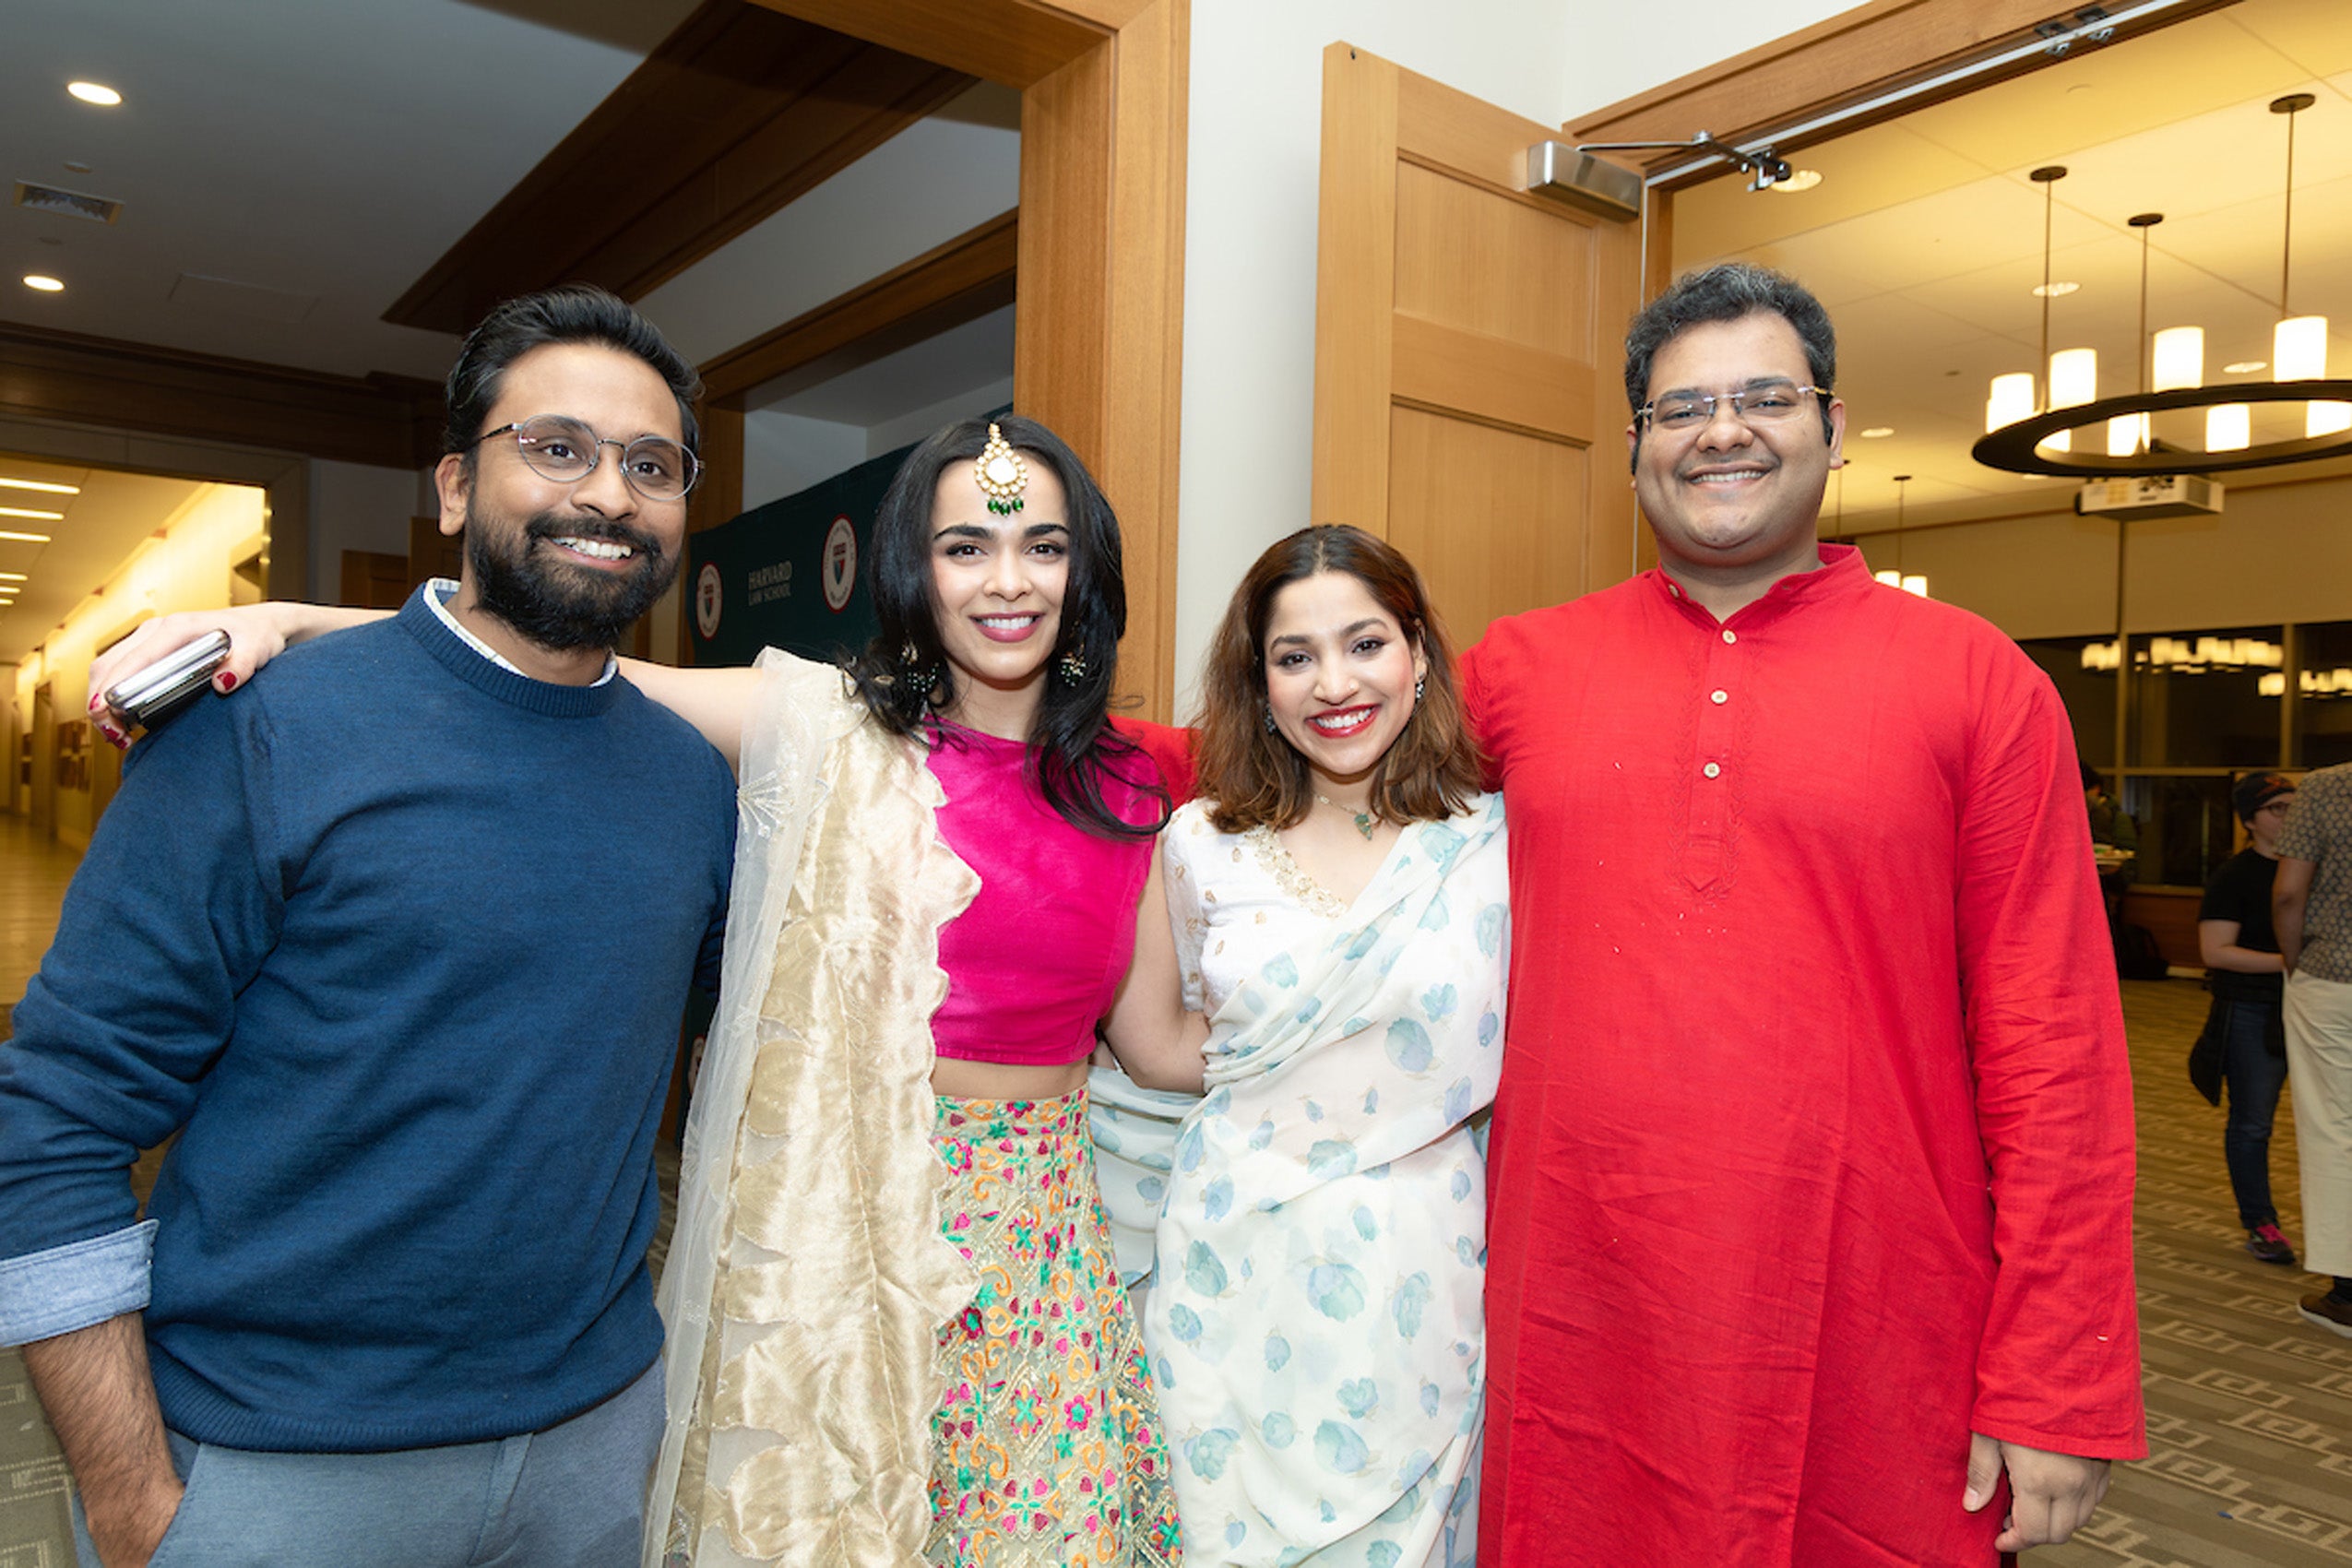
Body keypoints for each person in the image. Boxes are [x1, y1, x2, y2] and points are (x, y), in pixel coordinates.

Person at [87, 415, 1194, 1567]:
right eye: (966, 547)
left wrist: (1319, 1049)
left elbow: (1160, 1038)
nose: (1008, 581)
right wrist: (283, 618)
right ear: (917, 570)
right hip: (849, 1238)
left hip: (1044, 1257)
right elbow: (541, 662)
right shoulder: (831, 731)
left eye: (1044, 546)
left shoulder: (1132, 782)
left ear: (1084, 569)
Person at [0, 284, 738, 1568]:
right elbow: (57, 1119)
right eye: (557, 447)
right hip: (278, 1462)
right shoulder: (262, 731)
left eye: (649, 465)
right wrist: (130, 1500)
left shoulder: (693, 781)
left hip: (593, 1447)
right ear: (453, 486)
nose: (609, 495)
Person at [1459, 262, 2145, 1565]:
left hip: (1872, 1331)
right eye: (1681, 408)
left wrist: (2058, 1377)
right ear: (1635, 449)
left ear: (1832, 428)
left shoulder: (1980, 682)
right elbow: (1295, 775)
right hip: (1575, 1319)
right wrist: (1049, 748)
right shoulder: (1518, 670)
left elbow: (2054, 1050)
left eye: (1764, 398)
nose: (1721, 430)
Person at [1095, 525, 1504, 1568]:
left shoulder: (1493, 845)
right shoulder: (1198, 844)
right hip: (1231, 1270)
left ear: (1417, 653)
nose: (1334, 683)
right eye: (1295, 656)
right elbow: (1159, 1049)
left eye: (1365, 644)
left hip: (1425, 1281)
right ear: (1259, 683)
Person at [2197, 771, 2299, 1265]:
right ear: (2250, 821)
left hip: (2311, 1008)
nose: (2289, 817)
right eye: (2277, 808)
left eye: (2295, 807)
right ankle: (2260, 1222)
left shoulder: (2315, 868)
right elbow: (2215, 951)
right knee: (2253, 1122)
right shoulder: (2233, 876)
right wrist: (2290, 963)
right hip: (2251, 1009)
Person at [2270, 764, 2352, 1338]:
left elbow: (2288, 892)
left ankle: (2348, 1295)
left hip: (2334, 977)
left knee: (2335, 1128)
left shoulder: (2326, 787)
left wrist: (2296, 961)